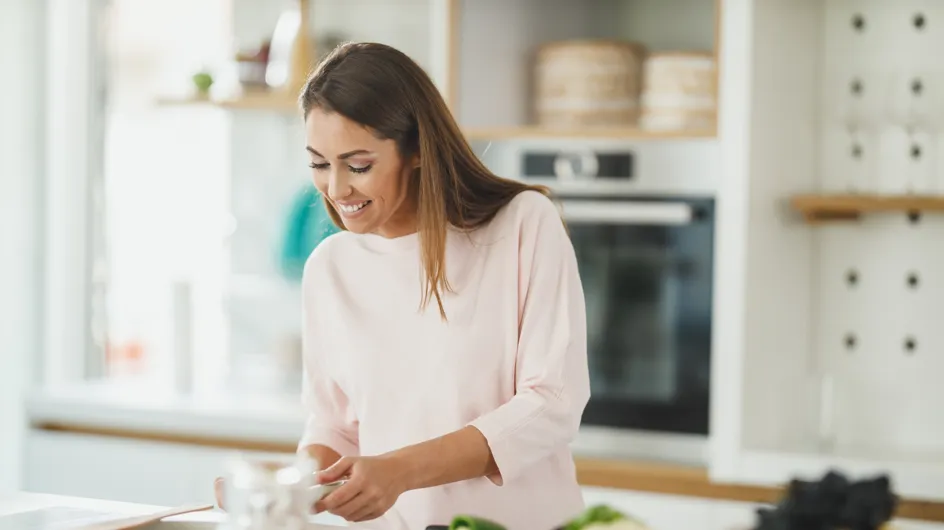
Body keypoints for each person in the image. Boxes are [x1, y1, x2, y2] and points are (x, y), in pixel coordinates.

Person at [224, 41, 591, 530]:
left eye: (358, 165)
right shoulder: (330, 267)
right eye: (318, 163)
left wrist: (398, 471)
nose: (336, 189)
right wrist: (290, 485)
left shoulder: (522, 226)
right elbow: (334, 424)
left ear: (416, 149)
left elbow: (551, 403)